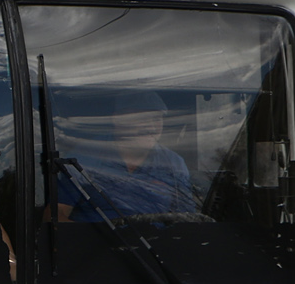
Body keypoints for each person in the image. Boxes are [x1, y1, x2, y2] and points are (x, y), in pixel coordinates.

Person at [53, 91, 197, 222]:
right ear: (119, 119)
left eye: (157, 119)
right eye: (143, 119)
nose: (152, 127)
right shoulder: (85, 157)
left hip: (155, 248)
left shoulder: (174, 163)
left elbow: (186, 221)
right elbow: (55, 215)